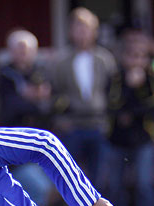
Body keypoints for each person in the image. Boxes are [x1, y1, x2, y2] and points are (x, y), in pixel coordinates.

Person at [51, 8, 117, 192]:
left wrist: (110, 122)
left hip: (99, 125)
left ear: (94, 31)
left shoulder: (105, 59)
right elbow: (54, 95)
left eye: (86, 28)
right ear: (70, 32)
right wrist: (61, 121)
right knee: (69, 177)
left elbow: (114, 93)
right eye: (78, 28)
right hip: (73, 126)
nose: (82, 33)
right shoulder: (61, 61)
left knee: (101, 176)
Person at [0, 29, 55, 206]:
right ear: (10, 51)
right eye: (19, 49)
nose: (23, 54)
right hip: (17, 151)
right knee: (40, 188)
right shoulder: (3, 76)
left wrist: (31, 98)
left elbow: (53, 105)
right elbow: (10, 109)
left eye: (27, 49)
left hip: (46, 144)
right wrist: (33, 99)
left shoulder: (43, 73)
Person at [104, 30, 154, 206]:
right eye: (133, 56)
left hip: (143, 138)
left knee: (143, 184)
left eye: (141, 57)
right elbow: (112, 105)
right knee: (115, 185)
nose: (137, 61)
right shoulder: (116, 77)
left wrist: (138, 88)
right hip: (117, 139)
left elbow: (149, 106)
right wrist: (129, 87)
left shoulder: (149, 78)